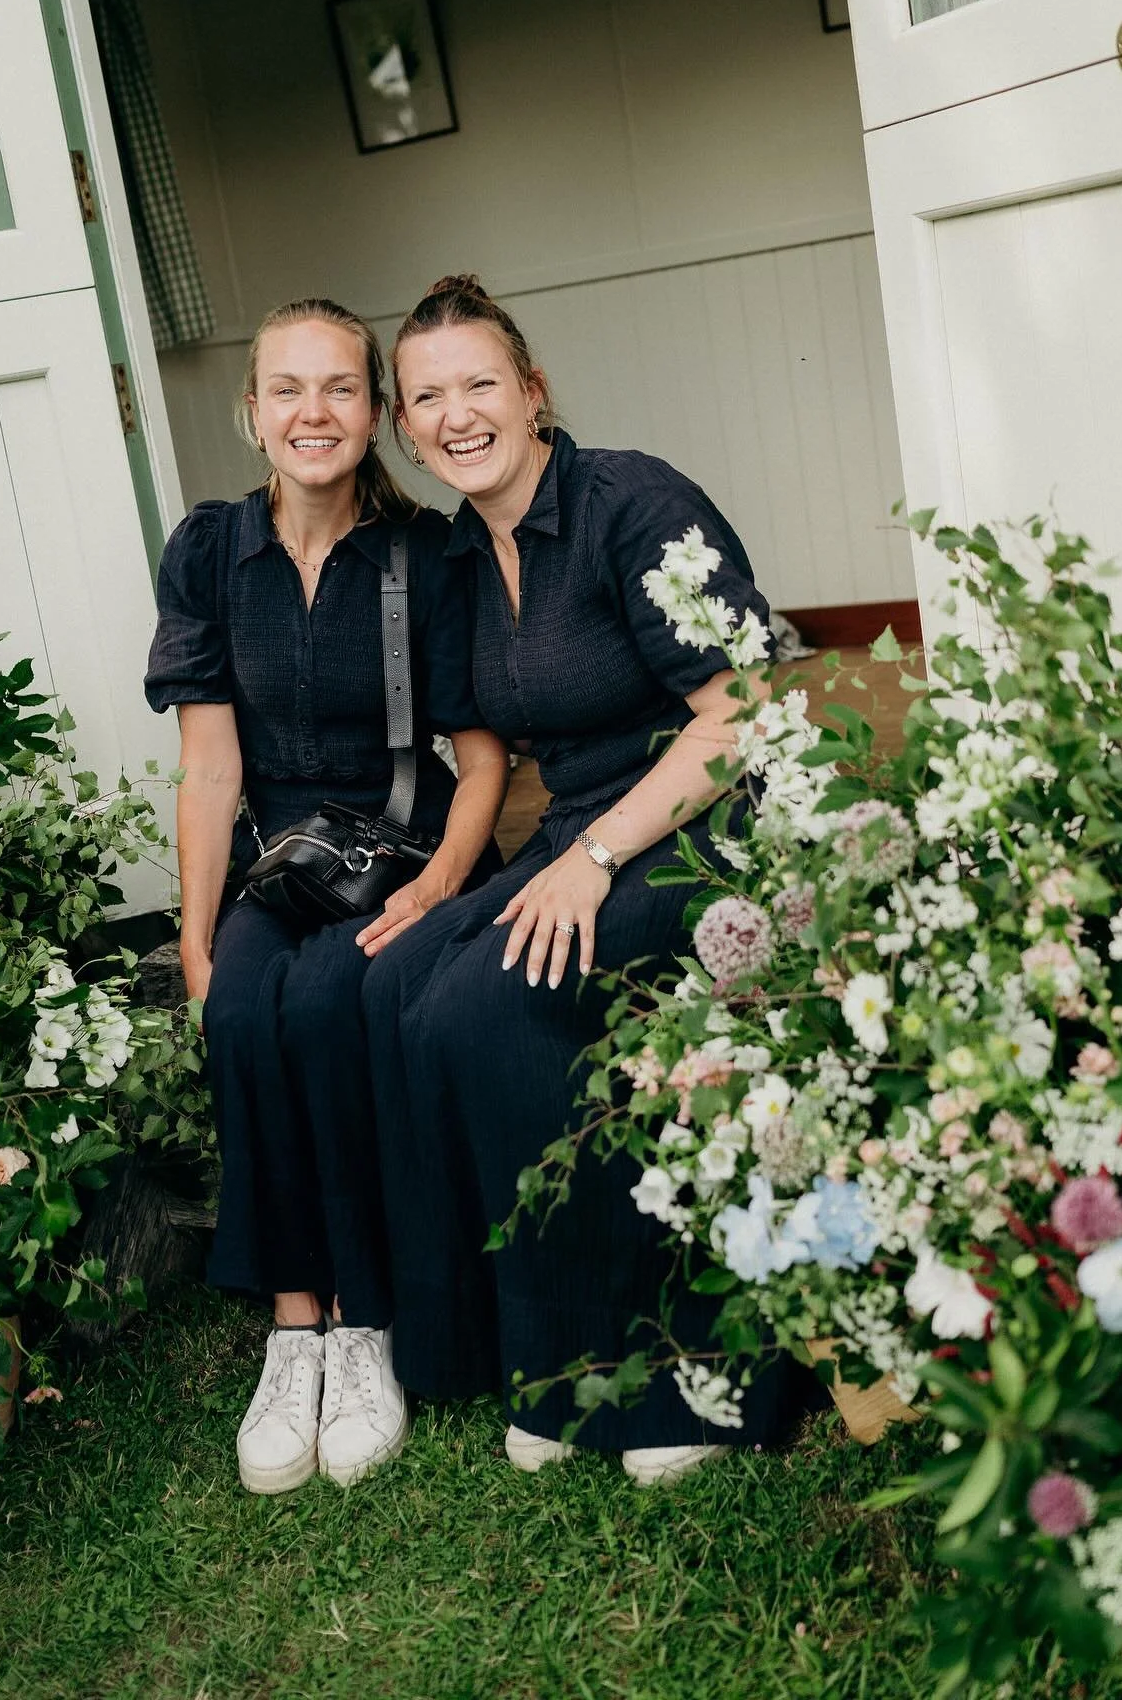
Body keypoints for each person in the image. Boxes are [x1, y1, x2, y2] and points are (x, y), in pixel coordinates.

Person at [364, 276, 804, 1485]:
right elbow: (490, 747)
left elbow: (744, 710)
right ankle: (535, 1355)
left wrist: (597, 858)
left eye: (479, 385)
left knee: (492, 1002)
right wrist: (451, 884)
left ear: (533, 391)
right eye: (427, 399)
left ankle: (677, 1378)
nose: (457, 416)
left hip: (708, 829)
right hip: (582, 834)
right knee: (407, 987)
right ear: (405, 426)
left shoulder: (634, 502)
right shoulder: (463, 548)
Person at [144, 298, 507, 1496]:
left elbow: (485, 760)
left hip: (402, 850)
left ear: (376, 416)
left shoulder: (425, 556)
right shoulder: (209, 551)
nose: (314, 412)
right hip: (273, 862)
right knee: (243, 1009)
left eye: (341, 388)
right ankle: (292, 1326)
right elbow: (210, 766)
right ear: (250, 413)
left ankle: (363, 1326)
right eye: (288, 389)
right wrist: (197, 942)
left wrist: (443, 882)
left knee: (323, 1009)